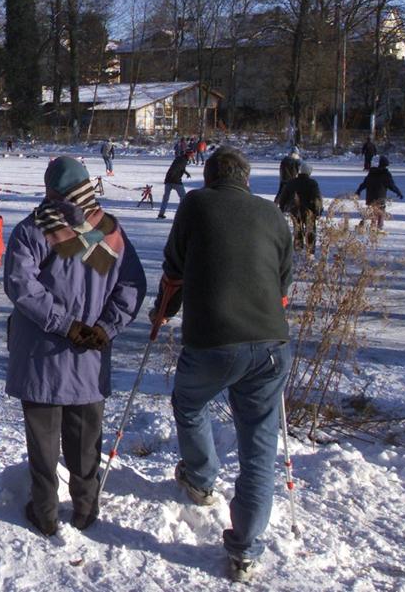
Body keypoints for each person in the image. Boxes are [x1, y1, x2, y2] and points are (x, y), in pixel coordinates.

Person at [151, 147, 292, 583]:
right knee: (259, 446)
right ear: (246, 179)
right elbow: (283, 282)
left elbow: (175, 269)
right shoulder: (273, 215)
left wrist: (163, 312)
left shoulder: (195, 204)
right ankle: (246, 549)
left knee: (190, 403)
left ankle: (200, 477)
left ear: (209, 178)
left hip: (213, 340)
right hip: (271, 343)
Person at [4, 156, 147, 536]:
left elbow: (21, 286)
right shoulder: (108, 231)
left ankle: (46, 513)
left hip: (40, 360)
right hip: (89, 360)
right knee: (86, 443)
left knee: (43, 444)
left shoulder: (35, 228)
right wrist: (103, 328)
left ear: (51, 190)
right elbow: (131, 287)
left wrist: (66, 326)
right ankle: (85, 509)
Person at [276, 162, 323, 255]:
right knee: (310, 230)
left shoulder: (291, 182)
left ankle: (298, 250)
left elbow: (283, 197)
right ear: (309, 172)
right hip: (308, 211)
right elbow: (316, 198)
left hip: (294, 210)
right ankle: (310, 252)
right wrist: (318, 211)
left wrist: (282, 208)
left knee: (297, 229)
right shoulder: (312, 183)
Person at [356, 155, 403, 230]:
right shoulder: (386, 174)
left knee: (373, 212)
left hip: (370, 197)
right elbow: (391, 185)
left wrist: (358, 191)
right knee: (381, 212)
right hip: (380, 197)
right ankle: (379, 228)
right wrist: (398, 192)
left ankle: (372, 226)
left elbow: (364, 184)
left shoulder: (371, 173)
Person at [158, 153, 191, 220]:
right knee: (183, 198)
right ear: (188, 156)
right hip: (175, 181)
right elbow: (176, 169)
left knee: (165, 198)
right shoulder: (183, 161)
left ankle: (161, 214)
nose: (191, 158)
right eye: (191, 157)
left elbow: (179, 168)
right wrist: (173, 178)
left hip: (168, 180)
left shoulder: (179, 159)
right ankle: (182, 214)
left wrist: (186, 173)